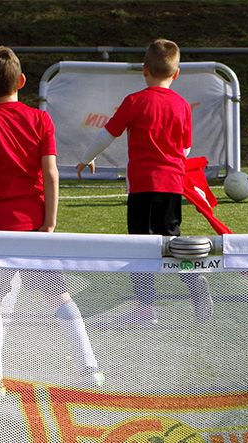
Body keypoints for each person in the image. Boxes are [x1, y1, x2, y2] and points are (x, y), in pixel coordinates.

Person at [0, 45, 103, 389]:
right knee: (59, 295)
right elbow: (52, 174)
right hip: (36, 219)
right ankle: (90, 368)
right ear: (22, 81)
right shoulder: (41, 119)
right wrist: (50, 220)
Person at [76, 38, 212, 326]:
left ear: (144, 70)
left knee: (138, 247)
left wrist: (86, 157)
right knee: (172, 241)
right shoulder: (183, 106)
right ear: (176, 74)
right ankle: (194, 279)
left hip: (142, 186)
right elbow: (186, 149)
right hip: (172, 185)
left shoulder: (134, 101)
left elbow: (107, 133)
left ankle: (145, 308)